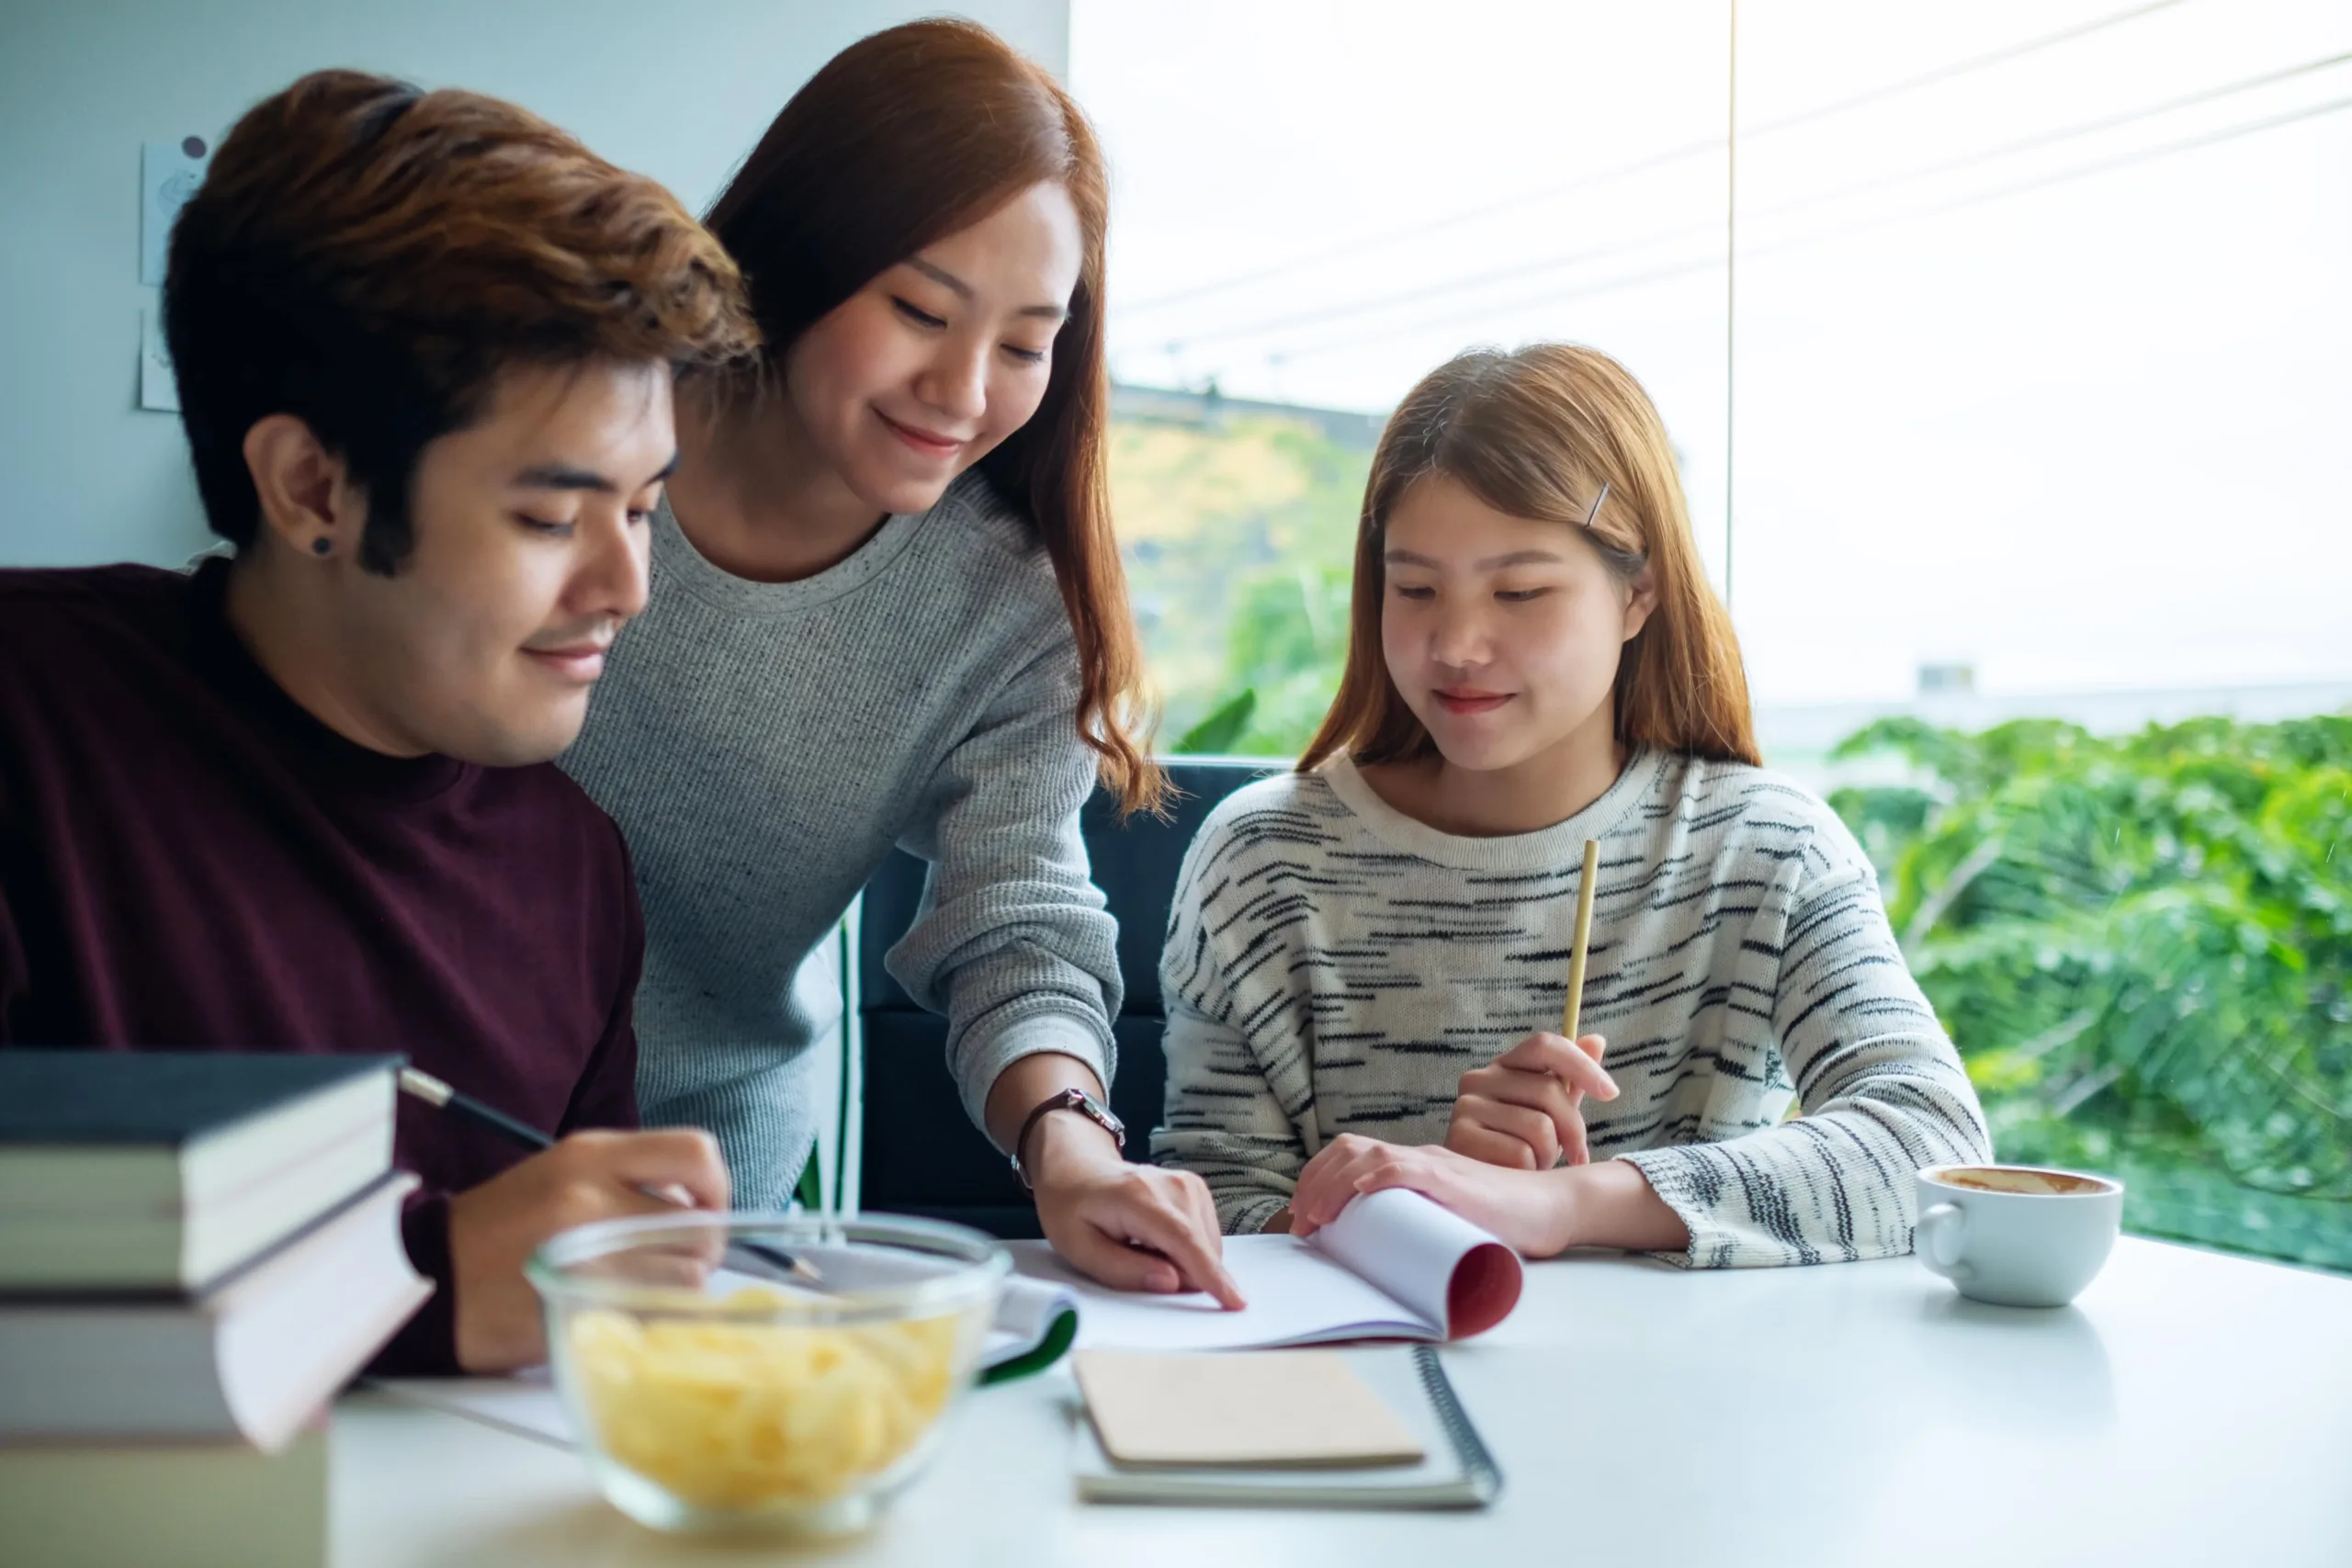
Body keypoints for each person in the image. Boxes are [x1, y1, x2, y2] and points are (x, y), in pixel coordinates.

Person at [0, 70, 758, 1371]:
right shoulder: (30, 721)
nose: (626, 587)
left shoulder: (574, 872)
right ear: (312, 488)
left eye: (640, 507)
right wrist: (420, 1277)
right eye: (547, 516)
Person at [560, 19, 1238, 1305]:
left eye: (1027, 342)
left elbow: (1016, 912)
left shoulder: (1005, 597)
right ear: (803, 256)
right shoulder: (586, 432)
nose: (963, 388)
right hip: (422, 1104)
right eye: (921, 309)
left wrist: (1073, 1145)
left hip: (705, 1180)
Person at [1152, 344, 1992, 1264]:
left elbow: (1933, 1146)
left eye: (1520, 591)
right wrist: (1427, 1196)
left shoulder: (1768, 850)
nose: (1459, 643)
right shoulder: (1263, 860)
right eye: (1415, 588)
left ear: (1638, 594)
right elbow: (1214, 1203)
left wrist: (1562, 1206)